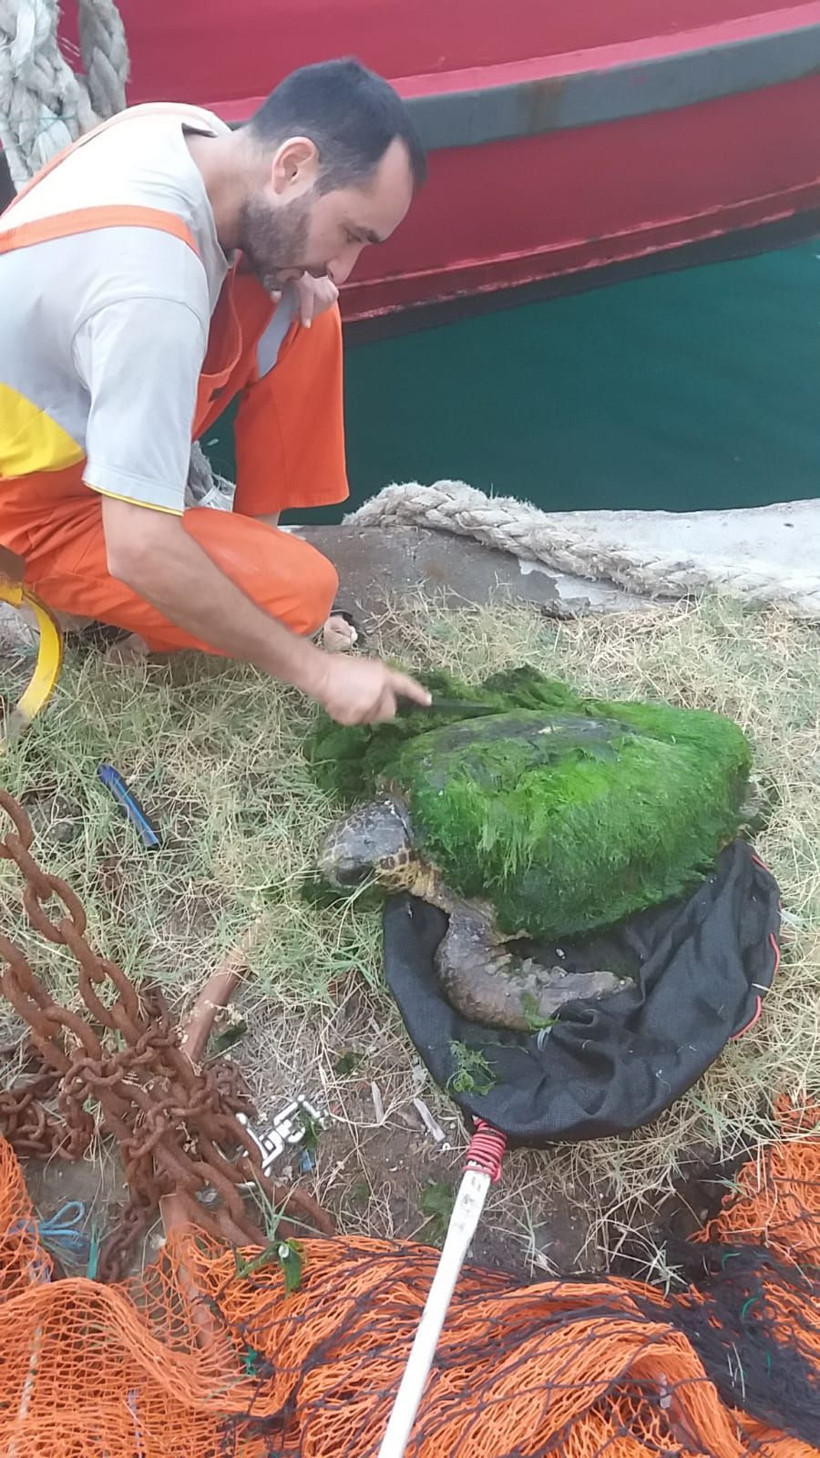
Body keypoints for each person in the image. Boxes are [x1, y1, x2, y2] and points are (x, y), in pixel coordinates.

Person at [0, 59, 431, 724]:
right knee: (301, 593)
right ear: (291, 166)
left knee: (306, 313)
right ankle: (188, 604)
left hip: (67, 414)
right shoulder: (151, 289)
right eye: (350, 234)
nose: (343, 268)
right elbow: (138, 547)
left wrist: (295, 266)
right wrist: (316, 671)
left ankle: (244, 550)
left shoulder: (186, 132)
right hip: (28, 508)